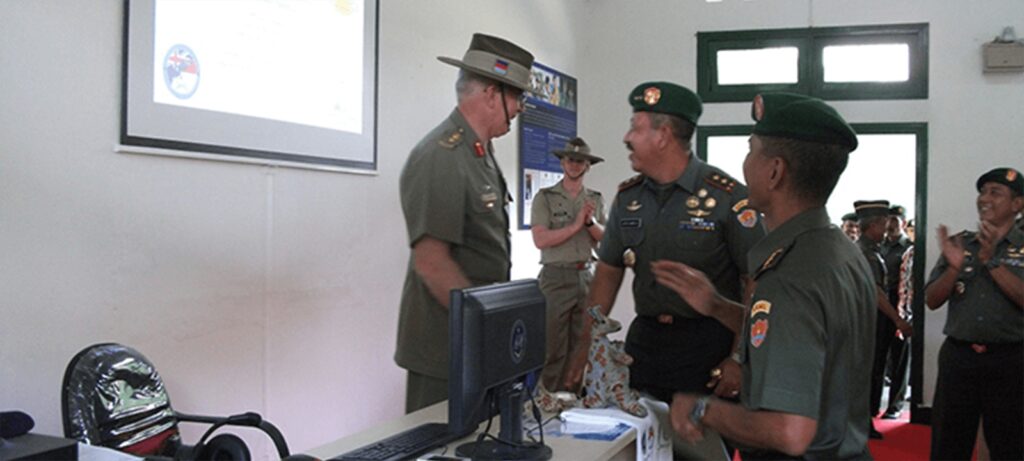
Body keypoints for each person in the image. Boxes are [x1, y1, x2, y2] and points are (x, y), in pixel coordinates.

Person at [657, 92, 875, 459]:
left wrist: (700, 408)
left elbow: (790, 431)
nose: (744, 164)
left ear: (774, 171)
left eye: (751, 150)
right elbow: (804, 334)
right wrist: (716, 306)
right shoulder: (836, 251)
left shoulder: (789, 277)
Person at [563, 82, 765, 406]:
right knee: (639, 447)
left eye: (635, 128)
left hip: (709, 345)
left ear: (663, 135)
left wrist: (740, 357)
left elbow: (757, 282)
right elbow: (608, 273)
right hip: (646, 344)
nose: (627, 138)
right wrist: (585, 343)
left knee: (702, 452)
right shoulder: (629, 197)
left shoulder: (728, 197)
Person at [395, 33, 534, 413]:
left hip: (472, 342)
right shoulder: (443, 155)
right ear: (491, 94)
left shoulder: (480, 154)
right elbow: (432, 263)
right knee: (441, 446)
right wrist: (485, 328)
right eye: (517, 96)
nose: (521, 107)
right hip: (446, 348)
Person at [925, 167, 1023, 460]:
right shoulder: (959, 243)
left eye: (996, 192)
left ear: (1017, 204)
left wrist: (991, 262)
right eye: (982, 192)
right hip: (959, 359)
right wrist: (953, 268)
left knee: (1011, 446)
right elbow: (931, 300)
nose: (984, 199)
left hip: (1010, 361)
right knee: (948, 444)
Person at [530, 137, 606, 392]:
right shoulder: (546, 198)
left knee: (581, 347)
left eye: (580, 161)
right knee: (553, 348)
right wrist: (575, 226)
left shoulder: (595, 198)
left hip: (586, 275)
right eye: (570, 160)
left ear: (588, 166)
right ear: (562, 162)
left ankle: (572, 402)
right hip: (555, 277)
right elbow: (540, 239)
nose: (575, 165)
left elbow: (606, 240)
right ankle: (548, 402)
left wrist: (589, 223)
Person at [855, 199, 913, 439]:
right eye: (883, 223)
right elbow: (877, 293)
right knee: (873, 371)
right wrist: (897, 320)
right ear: (874, 225)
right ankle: (864, 421)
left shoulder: (865, 249)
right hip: (873, 322)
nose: (886, 228)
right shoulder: (868, 254)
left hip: (870, 321)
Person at [880, 205, 911, 419]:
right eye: (888, 219)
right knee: (880, 357)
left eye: (895, 219)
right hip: (879, 306)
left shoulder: (909, 248)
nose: (890, 223)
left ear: (903, 223)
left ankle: (895, 406)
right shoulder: (878, 245)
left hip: (899, 305)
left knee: (900, 359)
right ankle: (873, 405)